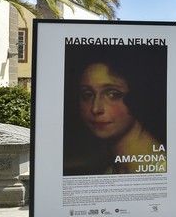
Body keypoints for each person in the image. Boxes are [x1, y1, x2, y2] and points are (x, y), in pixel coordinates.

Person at [63, 45, 167, 176]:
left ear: (137, 95)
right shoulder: (111, 169)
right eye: (87, 94)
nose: (96, 109)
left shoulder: (160, 169)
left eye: (112, 94)